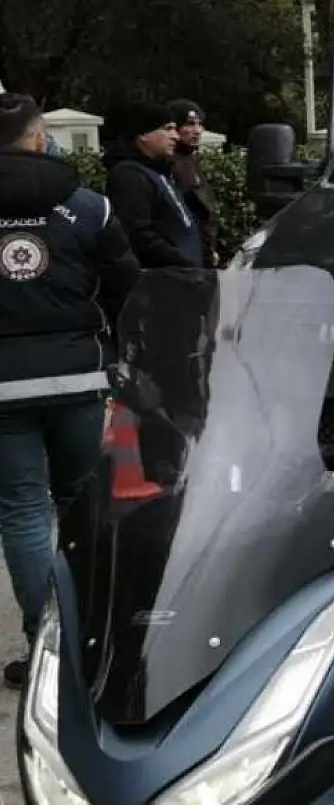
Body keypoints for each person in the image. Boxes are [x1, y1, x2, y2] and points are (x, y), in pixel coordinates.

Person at [0, 93, 140, 687]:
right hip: (79, 376)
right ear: (39, 139)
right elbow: (127, 288)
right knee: (80, 504)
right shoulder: (90, 209)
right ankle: (94, 636)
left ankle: (45, 645)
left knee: (23, 512)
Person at [104, 102, 201, 269]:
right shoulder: (130, 175)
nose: (175, 136)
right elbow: (138, 235)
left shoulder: (158, 171)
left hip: (184, 280)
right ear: (143, 134)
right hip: (160, 284)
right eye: (167, 129)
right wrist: (182, 263)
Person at [166, 99, 221, 268]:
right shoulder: (169, 163)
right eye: (189, 124)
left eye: (199, 124)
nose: (197, 131)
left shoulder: (191, 159)